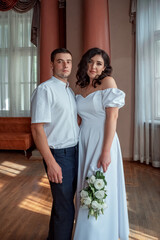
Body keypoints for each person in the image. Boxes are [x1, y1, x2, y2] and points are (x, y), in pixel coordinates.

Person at [73, 47, 129, 240]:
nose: (93, 66)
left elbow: (112, 117)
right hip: (84, 141)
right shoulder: (81, 86)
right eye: (90, 62)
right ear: (85, 64)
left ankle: (97, 234)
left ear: (104, 67)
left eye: (99, 63)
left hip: (103, 140)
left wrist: (106, 152)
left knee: (98, 187)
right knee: (85, 186)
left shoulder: (108, 82)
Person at [31, 48, 79, 240]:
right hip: (59, 155)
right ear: (51, 64)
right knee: (65, 208)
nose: (65, 65)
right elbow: (37, 129)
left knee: (63, 204)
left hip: (75, 152)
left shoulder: (69, 90)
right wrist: (51, 162)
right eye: (60, 61)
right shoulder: (45, 90)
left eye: (68, 61)